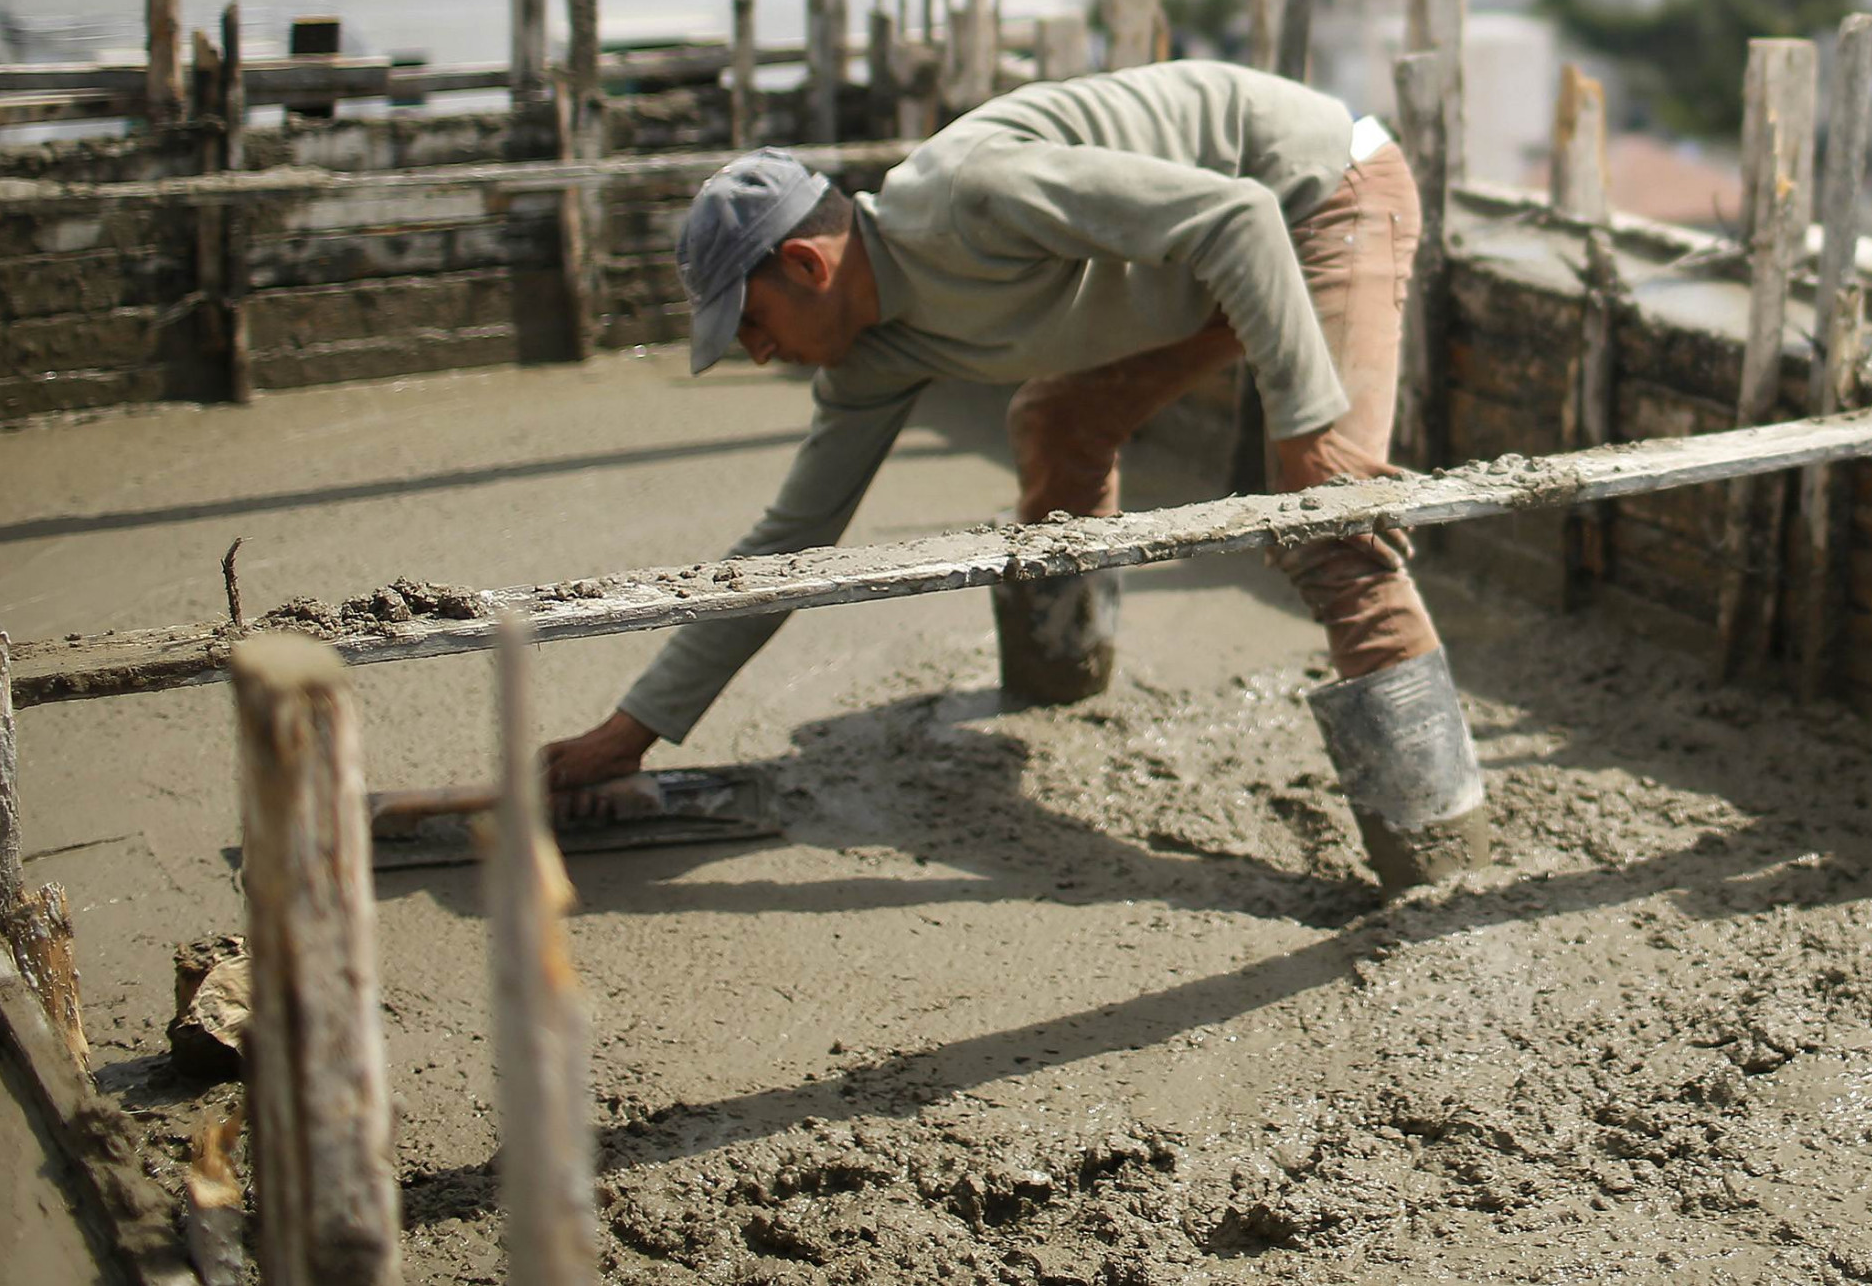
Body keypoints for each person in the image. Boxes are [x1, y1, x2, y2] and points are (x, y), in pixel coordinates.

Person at [538, 59, 1491, 890]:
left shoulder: (972, 195)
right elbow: (788, 545)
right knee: (1057, 418)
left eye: (752, 325)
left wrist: (1308, 430)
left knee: (1328, 519)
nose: (755, 355)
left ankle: (1437, 846)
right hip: (1201, 253)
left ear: (805, 263)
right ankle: (1062, 672)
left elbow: (1237, 216)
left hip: (1315, 191)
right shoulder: (870, 357)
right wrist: (634, 732)